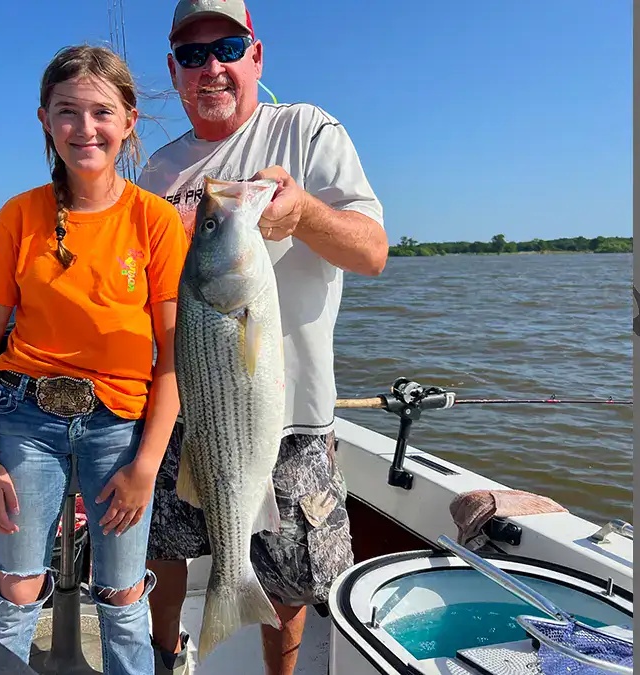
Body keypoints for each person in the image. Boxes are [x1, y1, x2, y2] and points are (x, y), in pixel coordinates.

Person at [136, 2, 390, 674]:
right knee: (161, 547)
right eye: (192, 55)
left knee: (291, 582)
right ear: (174, 71)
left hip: (293, 416)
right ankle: (169, 658)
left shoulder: (306, 130)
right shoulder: (157, 174)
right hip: (180, 406)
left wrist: (304, 211)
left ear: (256, 55)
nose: (211, 67)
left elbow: (372, 251)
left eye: (227, 46)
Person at [0, 44, 190, 675]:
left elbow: (173, 356)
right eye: (68, 111)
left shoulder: (156, 222)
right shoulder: (19, 216)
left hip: (119, 425)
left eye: (101, 112)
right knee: (14, 590)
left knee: (122, 596)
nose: (84, 128)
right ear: (44, 119)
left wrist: (146, 465)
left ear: (128, 122)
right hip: (23, 418)